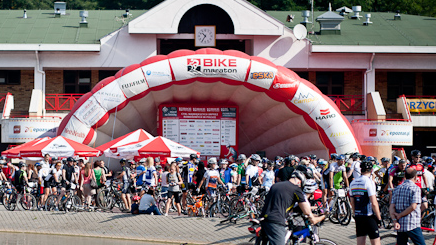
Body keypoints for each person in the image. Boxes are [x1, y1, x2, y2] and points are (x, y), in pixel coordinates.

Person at [260, 167, 324, 245]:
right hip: (276, 222)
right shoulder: (296, 189)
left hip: (263, 218)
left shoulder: (276, 185)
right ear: (301, 180)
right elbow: (307, 212)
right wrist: (323, 216)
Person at [390, 168, 426, 245]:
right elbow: (413, 207)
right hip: (412, 223)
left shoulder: (397, 188)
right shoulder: (416, 188)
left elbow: (391, 207)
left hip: (400, 225)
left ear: (405, 176)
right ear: (416, 177)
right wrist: (401, 214)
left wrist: (395, 220)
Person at [349, 160, 382, 245]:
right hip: (369, 216)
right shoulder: (369, 182)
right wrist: (379, 218)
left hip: (358, 216)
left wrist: (355, 215)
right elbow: (374, 202)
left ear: (360, 170)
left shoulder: (353, 182)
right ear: (371, 171)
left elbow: (352, 202)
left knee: (360, 242)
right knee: (376, 242)